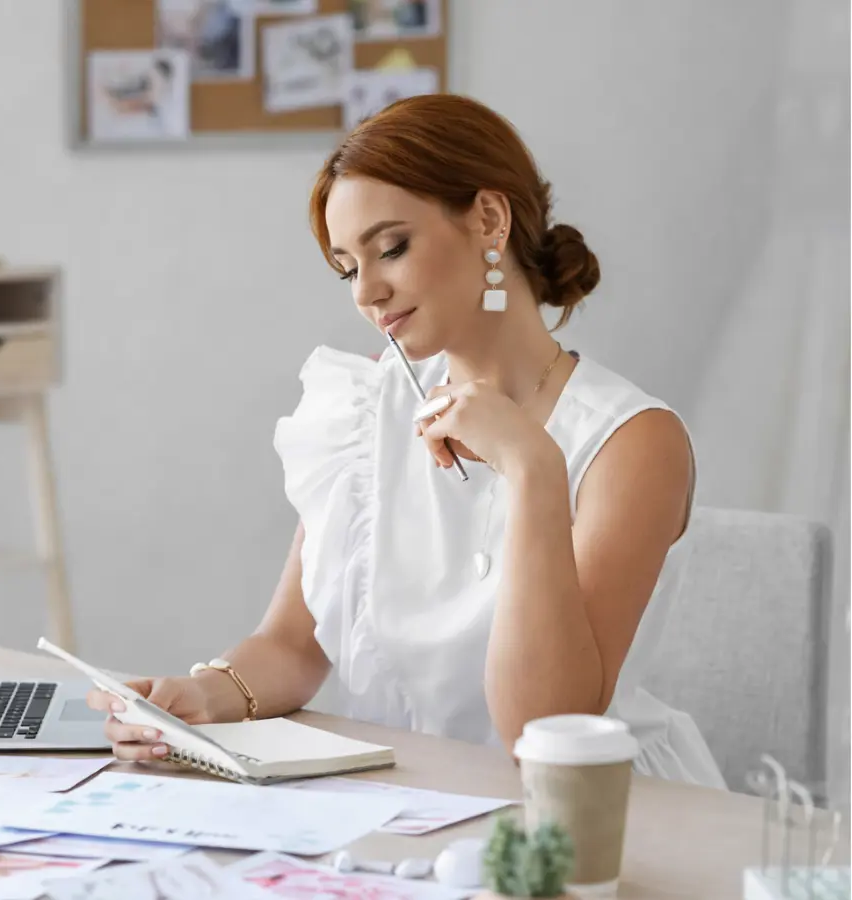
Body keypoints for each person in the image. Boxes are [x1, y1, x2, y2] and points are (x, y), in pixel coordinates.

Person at [86, 93, 726, 790]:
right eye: (347, 268)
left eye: (391, 248)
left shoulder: (631, 442)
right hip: (403, 797)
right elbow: (292, 645)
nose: (368, 291)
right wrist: (200, 697)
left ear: (488, 219)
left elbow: (541, 729)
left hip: (592, 813)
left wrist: (532, 467)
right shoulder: (366, 405)